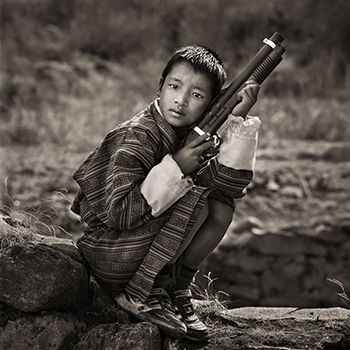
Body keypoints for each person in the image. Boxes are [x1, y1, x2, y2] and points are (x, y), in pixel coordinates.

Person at [71, 45, 261, 343]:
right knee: (195, 202)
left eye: (197, 95)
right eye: (174, 86)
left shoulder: (191, 132)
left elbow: (228, 186)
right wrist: (176, 167)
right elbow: (119, 214)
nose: (181, 100)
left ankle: (176, 287)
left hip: (139, 249)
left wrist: (237, 119)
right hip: (111, 252)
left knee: (220, 207)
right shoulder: (138, 134)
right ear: (160, 86)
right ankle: (143, 292)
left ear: (211, 103)